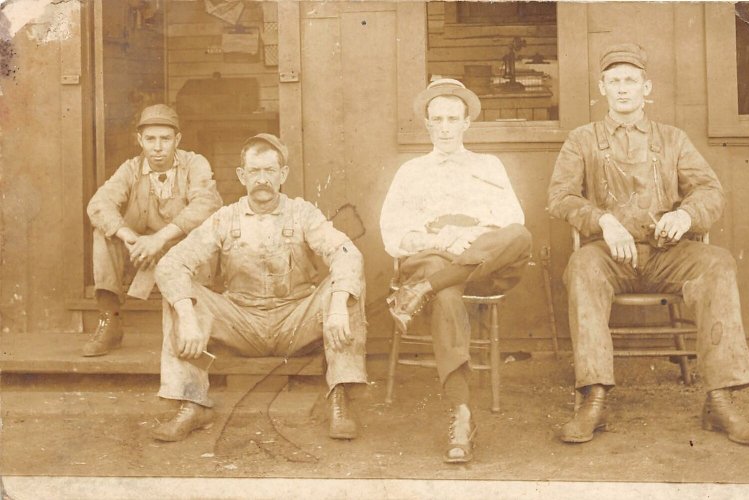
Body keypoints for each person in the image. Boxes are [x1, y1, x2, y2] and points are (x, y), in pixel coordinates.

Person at [547, 43, 749, 445]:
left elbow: (710, 191)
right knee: (581, 267)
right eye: (614, 81)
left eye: (631, 80)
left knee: (717, 263)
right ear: (602, 88)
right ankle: (592, 400)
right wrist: (603, 220)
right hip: (609, 255)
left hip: (668, 255)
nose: (623, 88)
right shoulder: (582, 140)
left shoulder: (673, 139)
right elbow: (560, 197)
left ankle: (720, 400)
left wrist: (685, 216)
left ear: (647, 88)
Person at [151, 133, 368, 442]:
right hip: (242, 322)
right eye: (255, 172)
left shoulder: (303, 213)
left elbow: (347, 253)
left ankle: (340, 397)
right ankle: (191, 403)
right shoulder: (224, 218)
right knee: (181, 293)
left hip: (296, 322)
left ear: (283, 174)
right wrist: (187, 315)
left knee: (346, 280)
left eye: (270, 171)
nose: (262, 179)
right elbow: (172, 264)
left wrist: (336, 308)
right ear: (242, 175)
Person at [380, 79, 532, 463]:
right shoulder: (410, 171)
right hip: (431, 254)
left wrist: (468, 235)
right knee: (447, 291)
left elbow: (511, 219)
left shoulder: (488, 166)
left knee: (519, 235)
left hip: (480, 257)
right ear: (427, 125)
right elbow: (393, 234)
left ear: (467, 123)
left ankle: (420, 291)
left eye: (453, 118)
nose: (445, 127)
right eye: (437, 120)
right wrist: (437, 243)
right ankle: (461, 413)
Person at [84, 104, 222, 357]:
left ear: (177, 139)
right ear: (140, 140)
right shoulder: (130, 169)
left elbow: (207, 204)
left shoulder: (194, 163)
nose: (157, 147)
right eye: (150, 139)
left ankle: (199, 320)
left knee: (205, 234)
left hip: (182, 247)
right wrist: (130, 237)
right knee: (104, 235)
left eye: (165, 139)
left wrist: (160, 238)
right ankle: (110, 321)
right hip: (142, 250)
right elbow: (98, 204)